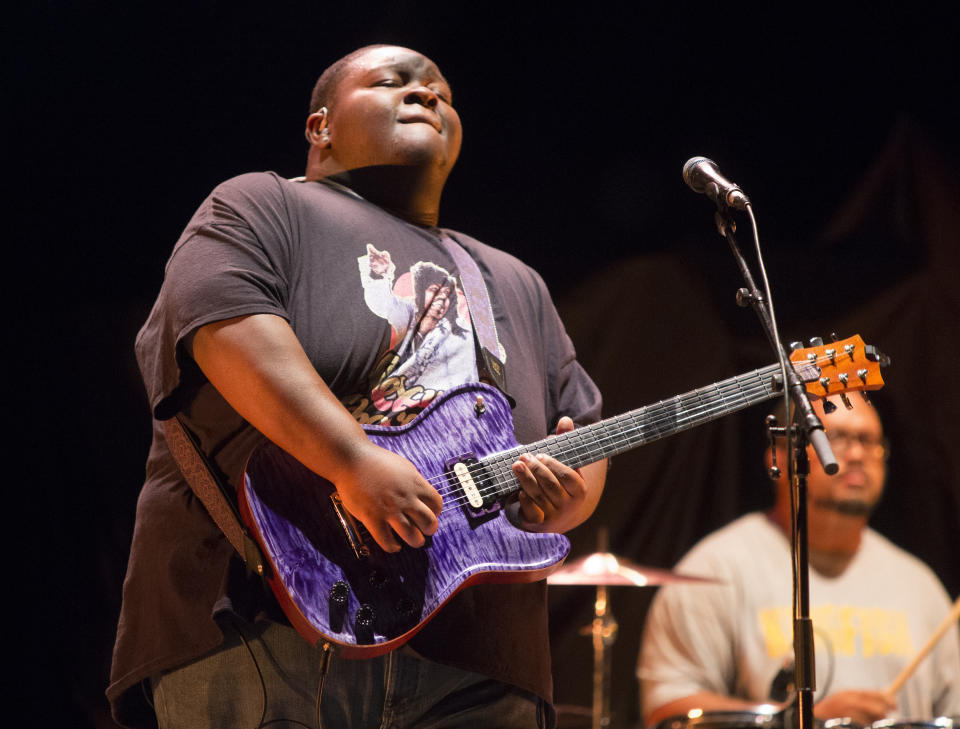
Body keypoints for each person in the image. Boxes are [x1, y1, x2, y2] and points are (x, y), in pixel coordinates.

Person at [107, 44, 607, 729]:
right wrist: (352, 459)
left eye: (441, 91)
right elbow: (222, 323)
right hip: (264, 629)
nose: (428, 95)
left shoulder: (513, 279)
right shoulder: (264, 204)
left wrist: (569, 501)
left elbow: (578, 424)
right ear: (320, 128)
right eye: (395, 82)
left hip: (480, 670)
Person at [638, 394, 960, 726]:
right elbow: (670, 711)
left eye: (869, 441)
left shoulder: (919, 585)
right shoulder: (716, 571)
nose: (857, 454)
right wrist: (802, 721)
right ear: (778, 455)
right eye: (834, 437)